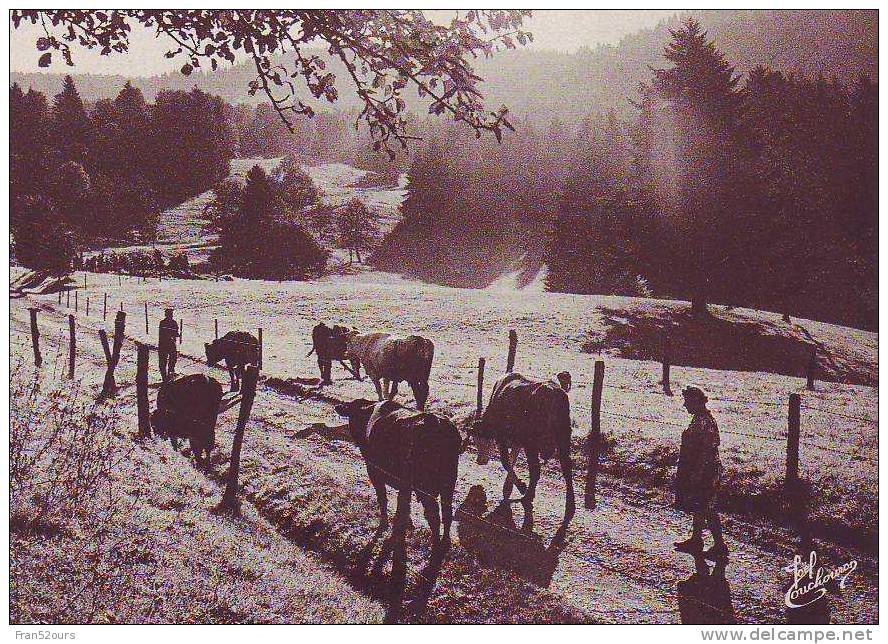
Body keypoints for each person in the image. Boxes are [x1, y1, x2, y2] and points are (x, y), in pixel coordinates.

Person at [674, 385, 728, 562]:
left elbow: (707, 450)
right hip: (700, 469)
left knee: (707, 508)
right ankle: (696, 540)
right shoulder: (698, 419)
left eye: (687, 401)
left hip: (707, 471)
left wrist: (698, 472)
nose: (685, 405)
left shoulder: (705, 422)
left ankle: (720, 546)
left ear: (697, 402)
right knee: (699, 505)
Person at [158, 308, 179, 382]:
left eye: (171, 314)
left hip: (170, 343)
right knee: (163, 361)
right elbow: (162, 333)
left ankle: (170, 372)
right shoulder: (163, 323)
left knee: (173, 357)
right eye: (170, 314)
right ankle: (164, 376)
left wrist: (176, 335)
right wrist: (171, 335)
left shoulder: (174, 323)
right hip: (164, 344)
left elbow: (176, 332)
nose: (171, 316)